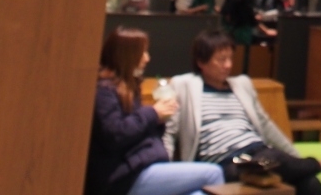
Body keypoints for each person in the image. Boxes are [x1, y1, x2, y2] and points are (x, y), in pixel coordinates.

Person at [165, 30, 321, 190]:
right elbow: (170, 131)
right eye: (221, 60)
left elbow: (266, 125)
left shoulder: (241, 85)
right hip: (225, 162)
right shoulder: (183, 86)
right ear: (201, 62)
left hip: (258, 150)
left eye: (230, 58)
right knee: (270, 161)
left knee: (310, 184)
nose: (228, 65)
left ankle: (308, 167)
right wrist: (162, 170)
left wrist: (295, 158)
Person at [86, 27, 223, 195]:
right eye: (143, 53)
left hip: (143, 167)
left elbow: (136, 130)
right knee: (213, 174)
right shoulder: (104, 91)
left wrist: (159, 119)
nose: (147, 58)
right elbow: (115, 134)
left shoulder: (128, 88)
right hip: (125, 178)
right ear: (128, 55)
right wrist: (153, 113)